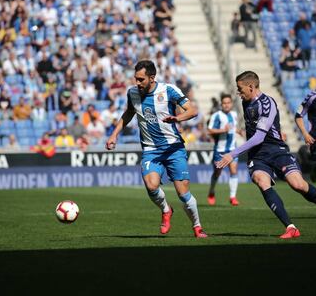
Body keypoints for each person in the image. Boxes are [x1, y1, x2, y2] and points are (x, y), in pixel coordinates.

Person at [105, 60, 207, 238]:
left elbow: (193, 111)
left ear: (152, 78)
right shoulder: (132, 93)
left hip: (173, 148)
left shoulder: (168, 90)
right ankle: (166, 210)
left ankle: (197, 227)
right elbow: (129, 113)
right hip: (151, 149)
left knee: (183, 194)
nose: (137, 82)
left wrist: (177, 118)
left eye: (141, 79)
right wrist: (114, 135)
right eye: (136, 78)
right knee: (151, 186)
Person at [217, 71, 316, 239]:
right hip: (258, 155)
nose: (238, 93)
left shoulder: (267, 103)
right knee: (262, 181)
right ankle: (291, 227)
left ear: (251, 87)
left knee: (298, 185)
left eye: (240, 89)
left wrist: (232, 154)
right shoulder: (246, 101)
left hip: (277, 150)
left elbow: (259, 136)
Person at [207, 94, 240, 206]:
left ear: (231, 104)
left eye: (228, 103)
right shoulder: (216, 115)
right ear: (221, 104)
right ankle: (211, 191)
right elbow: (209, 130)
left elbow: (234, 128)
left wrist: (239, 131)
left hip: (232, 149)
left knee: (234, 170)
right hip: (220, 150)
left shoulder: (234, 114)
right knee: (217, 173)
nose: (226, 105)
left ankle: (232, 197)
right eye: (224, 103)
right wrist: (222, 130)